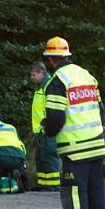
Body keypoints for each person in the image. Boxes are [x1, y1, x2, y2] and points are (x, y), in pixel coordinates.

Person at [42, 36, 105, 209]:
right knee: (95, 188)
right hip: (96, 143)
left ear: (50, 59)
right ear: (67, 55)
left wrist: (48, 130)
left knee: (73, 189)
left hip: (74, 147)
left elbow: (56, 117)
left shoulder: (58, 81)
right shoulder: (86, 75)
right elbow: (101, 110)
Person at [30, 61, 60, 190]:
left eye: (33, 75)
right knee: (41, 157)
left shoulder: (49, 86)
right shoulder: (41, 87)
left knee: (50, 156)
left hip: (48, 129)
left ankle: (53, 185)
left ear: (42, 73)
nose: (31, 78)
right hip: (40, 130)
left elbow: (52, 108)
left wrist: (47, 124)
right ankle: (43, 183)